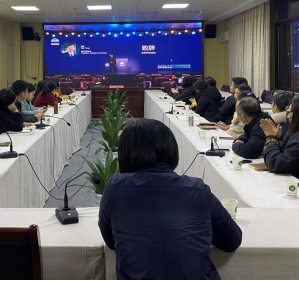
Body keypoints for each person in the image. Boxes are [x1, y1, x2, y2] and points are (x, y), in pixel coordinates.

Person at [99, 119, 242, 280]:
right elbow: (232, 240)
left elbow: (111, 241)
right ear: (171, 150)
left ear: (124, 154)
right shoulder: (197, 189)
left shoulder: (115, 188)